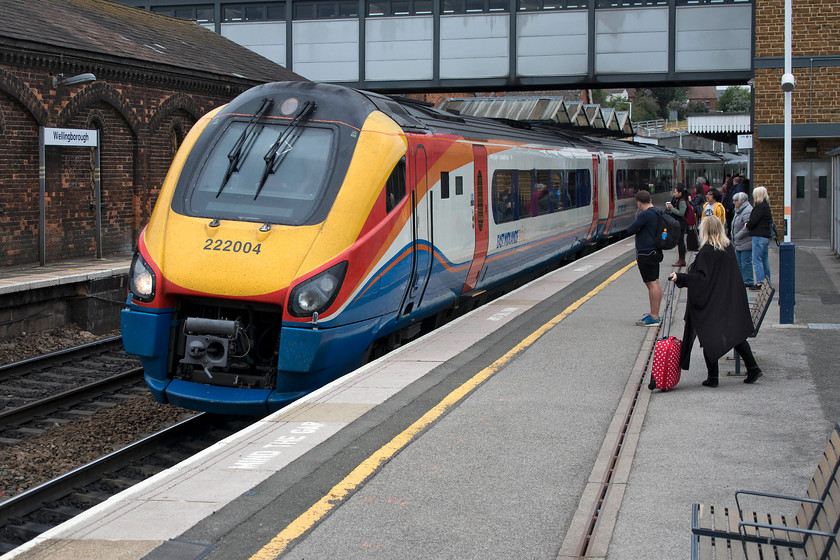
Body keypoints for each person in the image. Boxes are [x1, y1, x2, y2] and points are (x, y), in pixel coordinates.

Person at [667, 217, 763, 387]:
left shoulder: (707, 251)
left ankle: (713, 377)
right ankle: (753, 367)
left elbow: (702, 279)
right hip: (728, 299)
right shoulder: (727, 247)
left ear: (705, 231)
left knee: (707, 334)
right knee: (736, 336)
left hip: (713, 301)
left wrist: (680, 277)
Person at [627, 190, 662, 327]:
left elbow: (630, 229)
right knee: (655, 282)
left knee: (651, 283)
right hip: (655, 251)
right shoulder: (657, 212)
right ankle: (655, 314)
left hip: (646, 252)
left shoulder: (645, 214)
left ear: (638, 202)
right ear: (650, 199)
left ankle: (654, 316)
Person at [745, 186, 773, 290]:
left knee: (757, 260)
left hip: (758, 236)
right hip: (765, 236)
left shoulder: (759, 207)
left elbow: (753, 221)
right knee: (764, 259)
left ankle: (760, 282)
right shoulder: (766, 206)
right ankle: (767, 281)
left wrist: (747, 225)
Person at [731, 192, 754, 287]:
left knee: (746, 263)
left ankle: (748, 280)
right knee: (739, 263)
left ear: (741, 201)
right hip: (739, 242)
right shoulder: (739, 210)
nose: (733, 202)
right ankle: (741, 279)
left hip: (745, 242)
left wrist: (737, 236)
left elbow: (747, 227)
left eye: (735, 200)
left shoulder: (747, 211)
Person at [665, 185, 690, 267]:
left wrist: (672, 208)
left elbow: (681, 213)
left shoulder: (682, 201)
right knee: (679, 241)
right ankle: (681, 259)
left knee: (681, 241)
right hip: (676, 223)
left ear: (680, 193)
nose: (674, 193)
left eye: (675, 192)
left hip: (681, 224)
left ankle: (682, 260)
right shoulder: (675, 199)